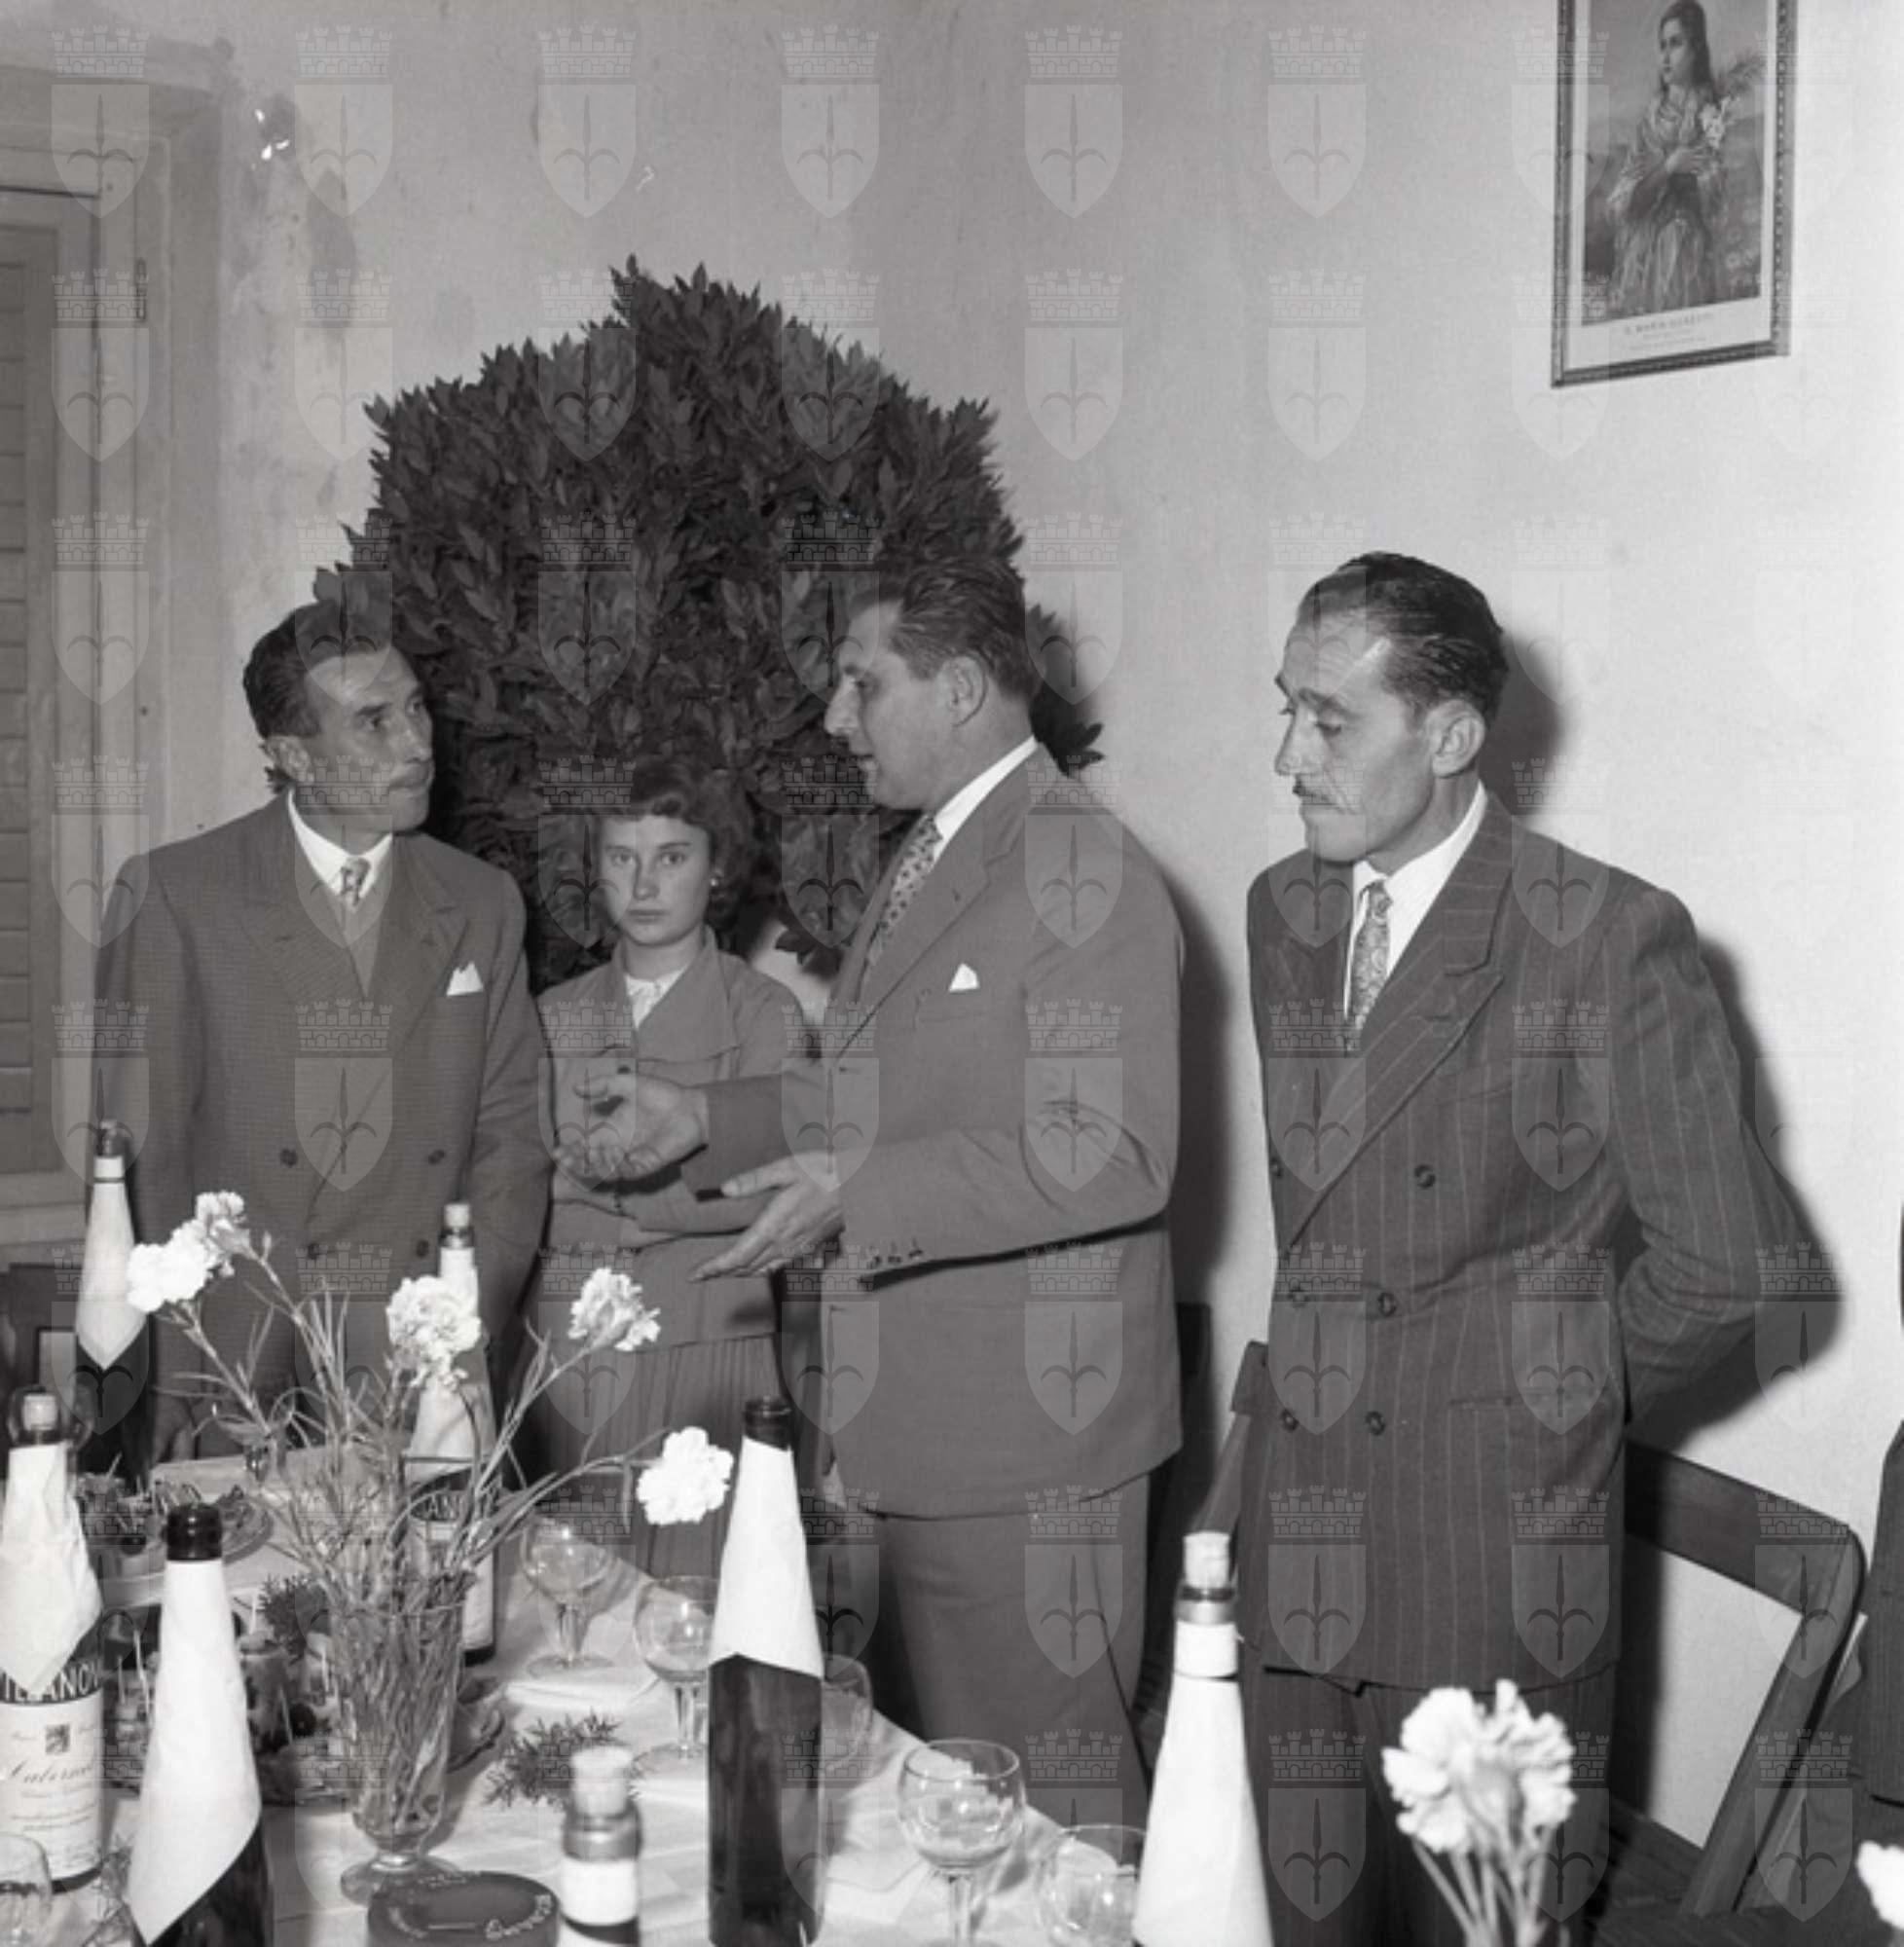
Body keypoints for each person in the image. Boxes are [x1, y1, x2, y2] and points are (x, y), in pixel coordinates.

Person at [1237, 554, 1801, 1944]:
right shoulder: (1287, 909)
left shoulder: (1606, 937)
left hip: (1485, 1578)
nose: (1287, 755)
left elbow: (1729, 1260)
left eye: (1328, 721)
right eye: (1286, 709)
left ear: (1449, 737)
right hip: (1297, 1569)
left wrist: (1540, 1405)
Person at [565, 558, 1182, 1820]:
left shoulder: (1083, 868)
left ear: (960, 689)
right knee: (948, 1798)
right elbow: (881, 1094)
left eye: (863, 683)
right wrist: (707, 1115)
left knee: (1049, 1814)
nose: (836, 716)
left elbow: (1110, 1146)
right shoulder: (944, 853)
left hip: (1025, 1448)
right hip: (920, 1428)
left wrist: (861, 1191)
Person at [95, 593, 549, 1457]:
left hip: (414, 1344)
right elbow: (142, 1158)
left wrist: (463, 1320)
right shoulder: (173, 895)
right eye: (374, 722)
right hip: (230, 1352)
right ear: (293, 756)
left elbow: (512, 1139)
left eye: (416, 708)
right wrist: (167, 1368)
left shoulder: (482, 901)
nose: (417, 744)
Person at [528, 755, 802, 1575]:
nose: (643, 884)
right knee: (571, 1592)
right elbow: (517, 1188)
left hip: (710, 1333)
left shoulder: (765, 1013)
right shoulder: (549, 1015)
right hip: (570, 1347)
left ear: (718, 868)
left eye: (672, 857)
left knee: (703, 1588)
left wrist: (599, 1194)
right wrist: (673, 1200)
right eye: (622, 856)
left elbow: (769, 1196)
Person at [1606, 0, 1728, 318]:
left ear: (1696, 48)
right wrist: (1670, 167)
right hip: (1647, 254)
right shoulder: (1648, 125)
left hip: (1690, 253)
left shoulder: (1712, 115)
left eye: (1675, 43)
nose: (1665, 56)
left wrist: (1698, 181)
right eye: (1662, 45)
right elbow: (1623, 202)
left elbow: (1717, 198)